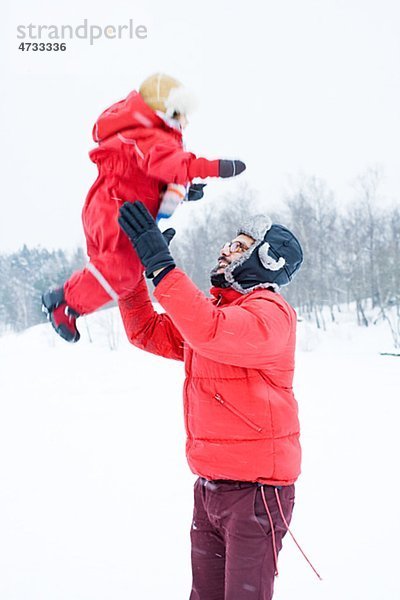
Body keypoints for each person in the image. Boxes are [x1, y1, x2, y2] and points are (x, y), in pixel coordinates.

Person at [116, 200, 307, 599]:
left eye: (239, 246)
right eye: (229, 243)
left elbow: (209, 330)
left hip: (256, 494)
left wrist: (162, 264)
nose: (225, 250)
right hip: (210, 490)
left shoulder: (271, 314)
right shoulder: (215, 313)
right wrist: (132, 276)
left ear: (267, 261)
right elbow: (146, 330)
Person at [41, 73, 246, 343]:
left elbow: (149, 176)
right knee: (121, 273)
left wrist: (184, 191)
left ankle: (67, 301)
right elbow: (172, 165)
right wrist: (212, 168)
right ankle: (66, 304)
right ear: (168, 110)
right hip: (115, 211)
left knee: (121, 270)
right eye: (183, 114)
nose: (186, 122)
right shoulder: (151, 136)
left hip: (110, 207)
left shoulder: (142, 135)